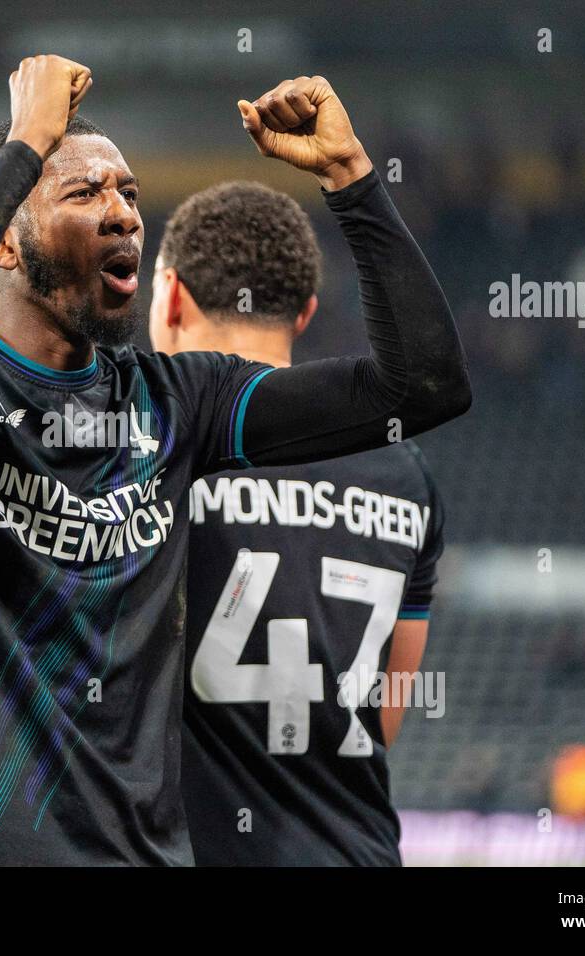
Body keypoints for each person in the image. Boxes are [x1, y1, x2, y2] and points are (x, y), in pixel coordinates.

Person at [0, 57, 470, 865]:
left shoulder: (176, 402)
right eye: (85, 192)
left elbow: (422, 386)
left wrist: (349, 175)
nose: (125, 215)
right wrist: (25, 145)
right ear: (1, 239)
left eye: (130, 195)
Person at [150, 180, 446, 865]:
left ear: (169, 296)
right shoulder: (404, 472)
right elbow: (384, 713)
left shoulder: (157, 452)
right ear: (306, 313)